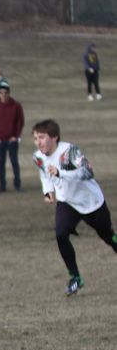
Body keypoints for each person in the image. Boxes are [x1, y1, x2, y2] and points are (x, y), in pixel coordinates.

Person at [30, 119, 117, 296]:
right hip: (67, 202)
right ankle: (75, 277)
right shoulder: (38, 156)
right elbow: (44, 174)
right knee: (60, 234)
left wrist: (61, 173)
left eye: (42, 137)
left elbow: (88, 172)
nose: (38, 142)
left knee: (109, 237)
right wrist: (48, 191)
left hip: (91, 202)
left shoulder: (69, 151)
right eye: (35, 138)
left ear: (54, 137)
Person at [0, 84, 24, 192]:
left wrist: (16, 136)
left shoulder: (16, 106)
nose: (3, 95)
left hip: (12, 140)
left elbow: (20, 122)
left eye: (5, 93)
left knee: (14, 162)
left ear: (9, 93)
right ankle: (2, 185)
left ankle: (17, 185)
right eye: (1, 93)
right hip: (0, 140)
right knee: (1, 164)